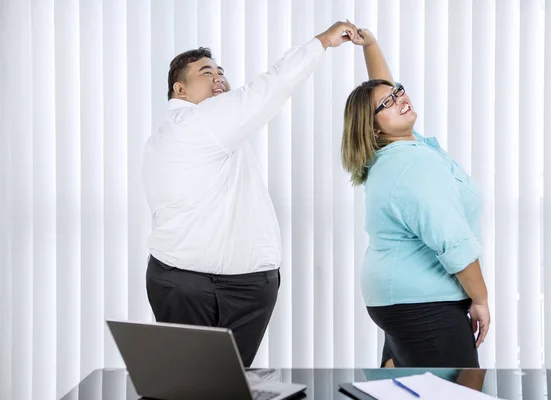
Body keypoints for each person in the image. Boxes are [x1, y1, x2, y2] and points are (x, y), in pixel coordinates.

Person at [141, 20, 360, 368]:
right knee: (207, 388)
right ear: (180, 90)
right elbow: (271, 86)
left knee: (198, 385)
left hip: (216, 285)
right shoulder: (199, 123)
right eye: (206, 72)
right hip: (196, 285)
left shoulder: (174, 137)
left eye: (221, 72)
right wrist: (323, 41)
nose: (219, 79)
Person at [342, 27, 490, 368]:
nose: (399, 99)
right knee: (455, 393)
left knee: (401, 389)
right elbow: (452, 242)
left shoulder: (391, 152)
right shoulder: (413, 163)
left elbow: (380, 94)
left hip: (397, 299)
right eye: (389, 103)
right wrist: (479, 299)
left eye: (399, 93)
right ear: (374, 127)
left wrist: (371, 46)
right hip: (425, 304)